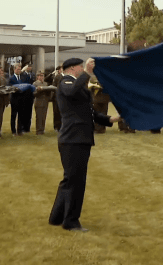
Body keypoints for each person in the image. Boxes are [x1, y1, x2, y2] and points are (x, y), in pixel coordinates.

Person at [49, 57, 120, 233]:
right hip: (73, 139)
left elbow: (87, 111)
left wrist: (109, 119)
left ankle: (57, 217)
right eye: (80, 67)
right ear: (72, 68)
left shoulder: (77, 84)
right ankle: (71, 221)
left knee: (69, 179)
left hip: (78, 139)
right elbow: (72, 91)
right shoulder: (65, 81)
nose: (83, 69)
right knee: (76, 182)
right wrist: (88, 73)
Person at [9, 64, 25, 136]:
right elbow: (11, 89)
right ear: (14, 70)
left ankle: (20, 131)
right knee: (13, 116)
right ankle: (13, 131)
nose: (19, 71)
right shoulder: (11, 79)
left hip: (22, 100)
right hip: (15, 99)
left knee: (21, 116)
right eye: (18, 69)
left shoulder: (22, 78)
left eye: (20, 69)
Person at [21, 63, 36, 133]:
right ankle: (23, 127)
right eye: (28, 66)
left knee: (29, 113)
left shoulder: (32, 74)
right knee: (24, 112)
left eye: (30, 67)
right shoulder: (23, 74)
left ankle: (27, 128)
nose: (29, 68)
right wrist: (22, 70)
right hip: (24, 95)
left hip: (30, 95)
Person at [51, 66, 63, 132]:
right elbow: (53, 86)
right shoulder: (57, 77)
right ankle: (56, 126)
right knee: (56, 112)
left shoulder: (65, 77)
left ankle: (61, 126)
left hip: (62, 98)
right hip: (56, 97)